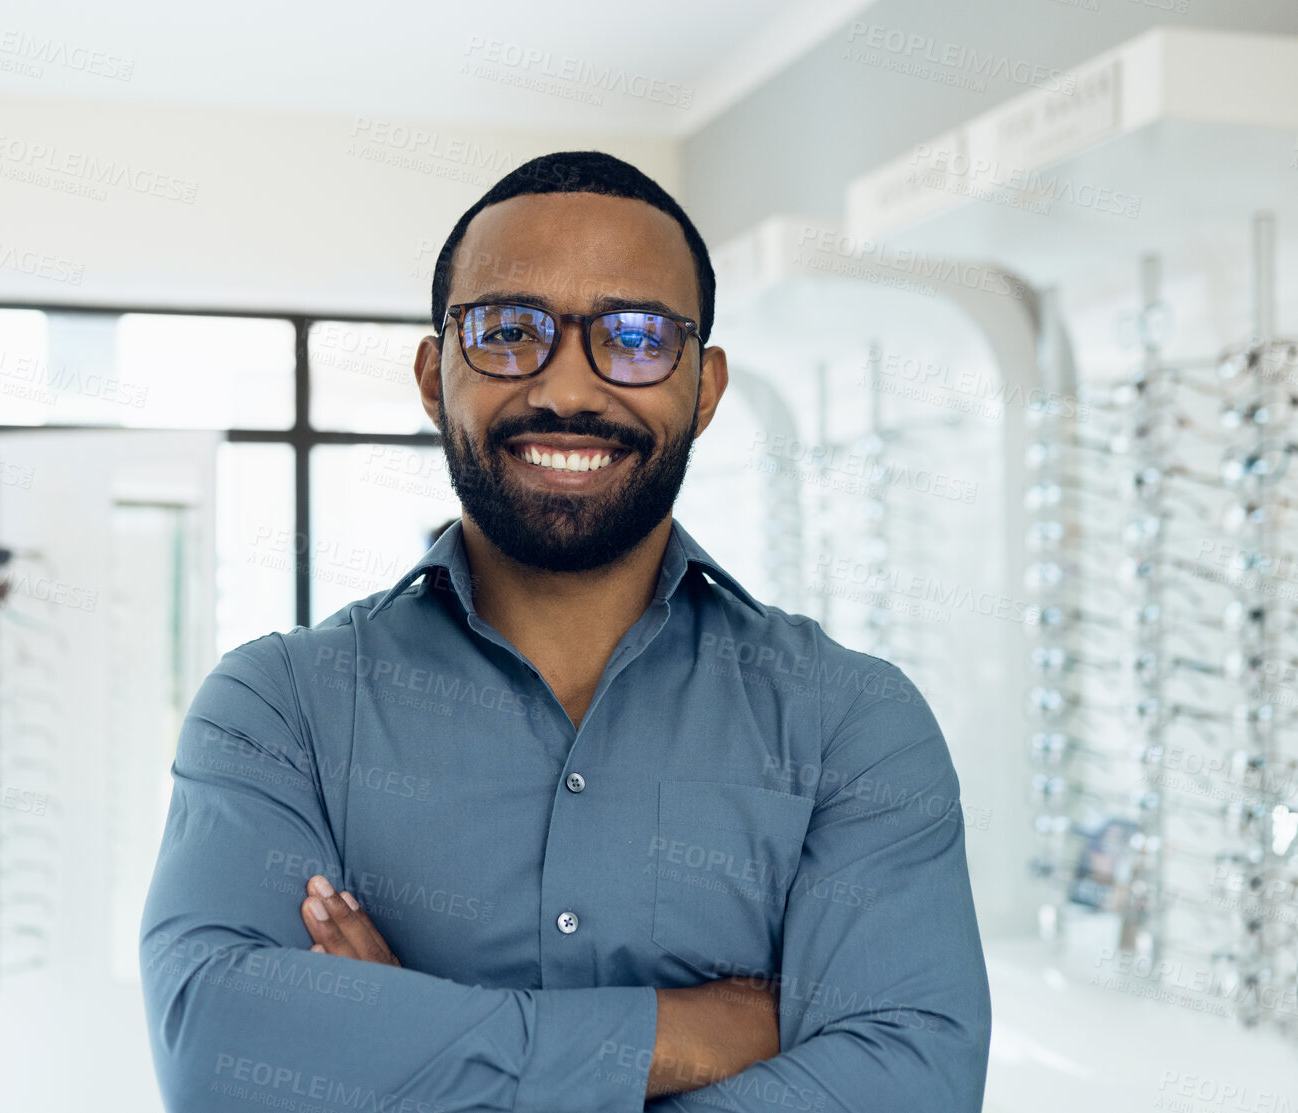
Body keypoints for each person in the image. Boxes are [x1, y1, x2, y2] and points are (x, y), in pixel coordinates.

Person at [140, 150, 990, 1111]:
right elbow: (220, 1053)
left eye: (634, 336)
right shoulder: (276, 708)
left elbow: (912, 1079)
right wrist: (684, 1032)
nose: (570, 391)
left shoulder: (852, 721)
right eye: (509, 331)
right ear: (433, 375)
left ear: (705, 390)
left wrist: (408, 1033)